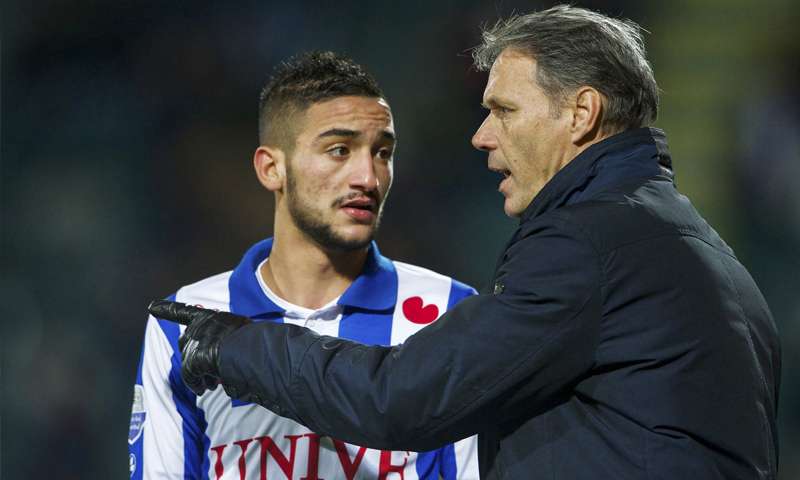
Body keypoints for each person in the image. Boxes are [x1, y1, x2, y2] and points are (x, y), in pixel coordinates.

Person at [150, 5, 781, 479]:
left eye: (503, 110)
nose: (481, 135)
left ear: (581, 113)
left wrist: (235, 345)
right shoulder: (704, 253)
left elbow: (405, 399)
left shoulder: (591, 242)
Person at [130, 51, 480, 479]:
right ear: (271, 168)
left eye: (383, 153)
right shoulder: (186, 321)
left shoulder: (448, 310)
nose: (368, 178)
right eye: (339, 150)